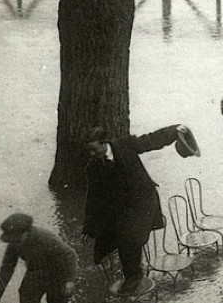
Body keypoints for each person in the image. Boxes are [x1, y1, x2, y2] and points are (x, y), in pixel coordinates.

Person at [83, 123, 197, 294]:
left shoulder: (125, 145)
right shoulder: (93, 168)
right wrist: (88, 226)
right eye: (89, 151)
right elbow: (93, 198)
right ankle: (133, 273)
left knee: (130, 238)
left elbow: (151, 140)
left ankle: (134, 277)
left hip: (142, 201)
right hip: (121, 208)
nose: (92, 155)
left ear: (104, 142)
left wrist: (174, 131)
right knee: (120, 238)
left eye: (94, 149)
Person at [0, 213, 77, 303]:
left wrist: (70, 280)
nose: (14, 242)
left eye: (17, 239)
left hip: (58, 272)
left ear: (26, 232)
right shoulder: (14, 244)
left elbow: (70, 254)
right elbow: (6, 270)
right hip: (35, 271)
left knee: (56, 301)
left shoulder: (45, 238)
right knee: (26, 295)